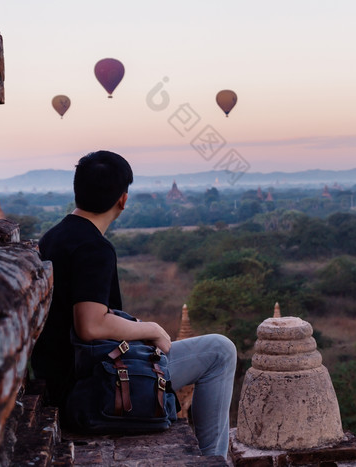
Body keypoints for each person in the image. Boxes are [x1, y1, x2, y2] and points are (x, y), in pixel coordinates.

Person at [31, 150, 236, 456]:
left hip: (63, 377)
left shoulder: (53, 237)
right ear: (123, 201)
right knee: (220, 351)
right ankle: (213, 459)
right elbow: (90, 325)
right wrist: (152, 329)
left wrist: (135, 325)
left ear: (78, 190)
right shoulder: (94, 248)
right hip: (90, 384)